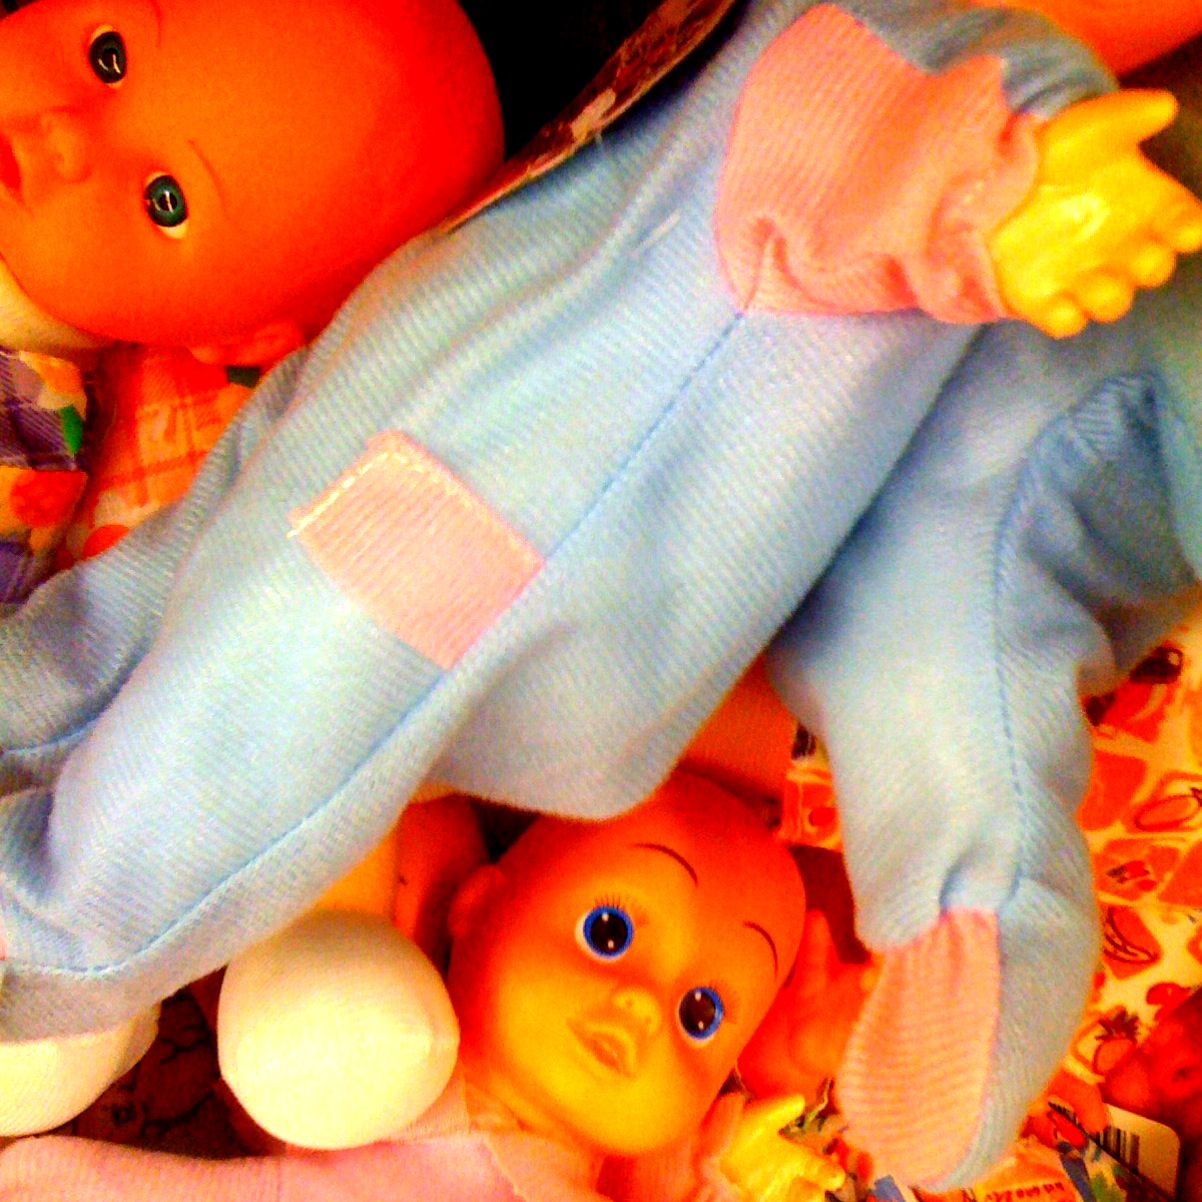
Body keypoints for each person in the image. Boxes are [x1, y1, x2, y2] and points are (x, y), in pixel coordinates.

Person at [0, 772, 829, 1201]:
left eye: (701, 1014)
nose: (646, 1005)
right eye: (608, 933)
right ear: (479, 902)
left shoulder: (642, 1171)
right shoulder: (385, 1036)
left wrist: (786, 1068)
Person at [0, 0, 503, 601]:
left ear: (230, 339)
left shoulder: (22, 442)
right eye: (110, 57)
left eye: (165, 202)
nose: (66, 135)